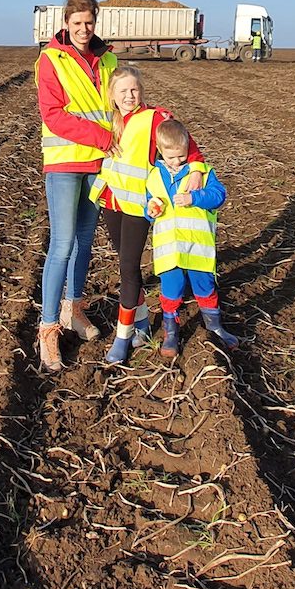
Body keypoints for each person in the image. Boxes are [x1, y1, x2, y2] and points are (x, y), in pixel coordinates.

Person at [91, 65, 203, 367]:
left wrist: (195, 169)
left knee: (128, 268)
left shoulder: (155, 118)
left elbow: (188, 147)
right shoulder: (109, 121)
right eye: (123, 90)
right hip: (112, 200)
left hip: (139, 205)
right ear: (112, 95)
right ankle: (141, 324)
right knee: (126, 265)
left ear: (141, 91)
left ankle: (122, 337)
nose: (130, 95)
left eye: (135, 89)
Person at [36, 0, 115, 371]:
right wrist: (103, 138)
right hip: (66, 163)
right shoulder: (51, 59)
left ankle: (73, 309)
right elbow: (54, 115)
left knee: (86, 241)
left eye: (89, 22)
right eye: (77, 22)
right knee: (63, 243)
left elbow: (121, 107)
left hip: (98, 166)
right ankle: (47, 329)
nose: (84, 28)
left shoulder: (109, 59)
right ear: (66, 24)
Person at [144, 119, 234, 359]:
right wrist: (151, 208)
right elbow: (148, 202)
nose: (177, 162)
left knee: (204, 286)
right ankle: (171, 331)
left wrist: (195, 198)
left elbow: (218, 196)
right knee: (171, 290)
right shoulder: (153, 176)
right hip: (169, 250)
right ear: (160, 151)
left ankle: (214, 326)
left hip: (197, 248)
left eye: (182, 157)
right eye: (171, 157)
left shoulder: (202, 172)